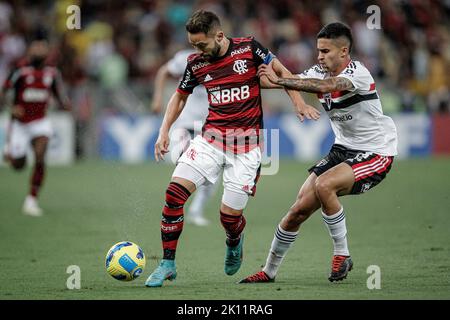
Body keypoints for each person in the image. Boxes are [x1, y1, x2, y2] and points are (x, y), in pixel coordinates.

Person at [145, 10, 319, 287]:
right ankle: (167, 263)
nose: (198, 50)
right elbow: (178, 98)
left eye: (202, 44)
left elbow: (281, 72)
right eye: (193, 45)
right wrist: (163, 131)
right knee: (173, 195)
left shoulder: (249, 48)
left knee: (229, 217)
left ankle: (234, 240)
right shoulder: (195, 64)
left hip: (246, 149)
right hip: (209, 141)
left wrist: (298, 102)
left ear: (220, 36)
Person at [240, 22, 398, 283]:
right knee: (297, 211)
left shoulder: (358, 73)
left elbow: (324, 87)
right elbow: (284, 82)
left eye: (325, 51)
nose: (319, 56)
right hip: (342, 149)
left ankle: (342, 254)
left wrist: (280, 79)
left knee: (325, 186)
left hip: (375, 152)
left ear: (344, 51)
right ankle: (269, 271)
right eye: (318, 51)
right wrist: (258, 78)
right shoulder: (317, 72)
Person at [1, 39, 71, 216]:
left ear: (48, 53)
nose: (39, 49)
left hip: (41, 121)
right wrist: (11, 107)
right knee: (18, 165)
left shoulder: (52, 73)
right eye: (36, 46)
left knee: (40, 156)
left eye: (43, 46)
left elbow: (60, 95)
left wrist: (66, 104)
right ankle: (12, 154)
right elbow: (4, 91)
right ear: (29, 51)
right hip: (20, 124)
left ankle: (31, 200)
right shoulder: (20, 70)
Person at [151, 48, 216, 227]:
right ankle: (177, 206)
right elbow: (163, 71)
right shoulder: (185, 58)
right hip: (185, 122)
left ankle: (195, 210)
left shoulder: (222, 59)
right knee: (188, 162)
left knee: (212, 170)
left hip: (210, 124)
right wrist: (158, 98)